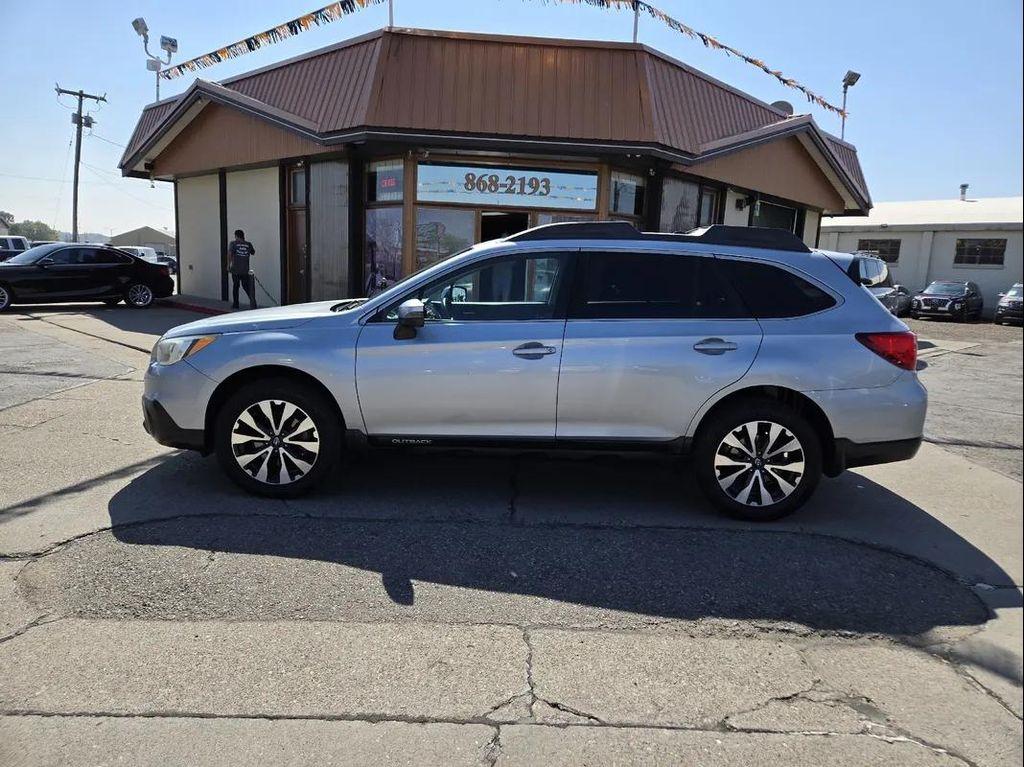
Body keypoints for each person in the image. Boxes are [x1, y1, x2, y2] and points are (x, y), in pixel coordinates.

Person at [227, 229, 257, 310]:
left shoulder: (233, 244)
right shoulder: (248, 244)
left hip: (235, 269)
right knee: (246, 286)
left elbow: (230, 254)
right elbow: (253, 252)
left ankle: (236, 304)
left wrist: (228, 265)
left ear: (236, 236)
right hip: (245, 269)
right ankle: (253, 302)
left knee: (236, 287)